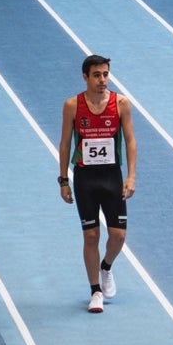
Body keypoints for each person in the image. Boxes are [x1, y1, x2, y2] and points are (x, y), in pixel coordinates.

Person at [58, 55, 137, 313]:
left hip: (112, 177)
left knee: (118, 235)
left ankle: (106, 267)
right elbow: (65, 144)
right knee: (91, 235)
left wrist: (131, 176)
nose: (103, 80)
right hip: (85, 179)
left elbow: (130, 140)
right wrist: (63, 180)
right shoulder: (72, 105)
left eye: (106, 74)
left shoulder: (121, 104)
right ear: (85, 77)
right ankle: (95, 291)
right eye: (97, 75)